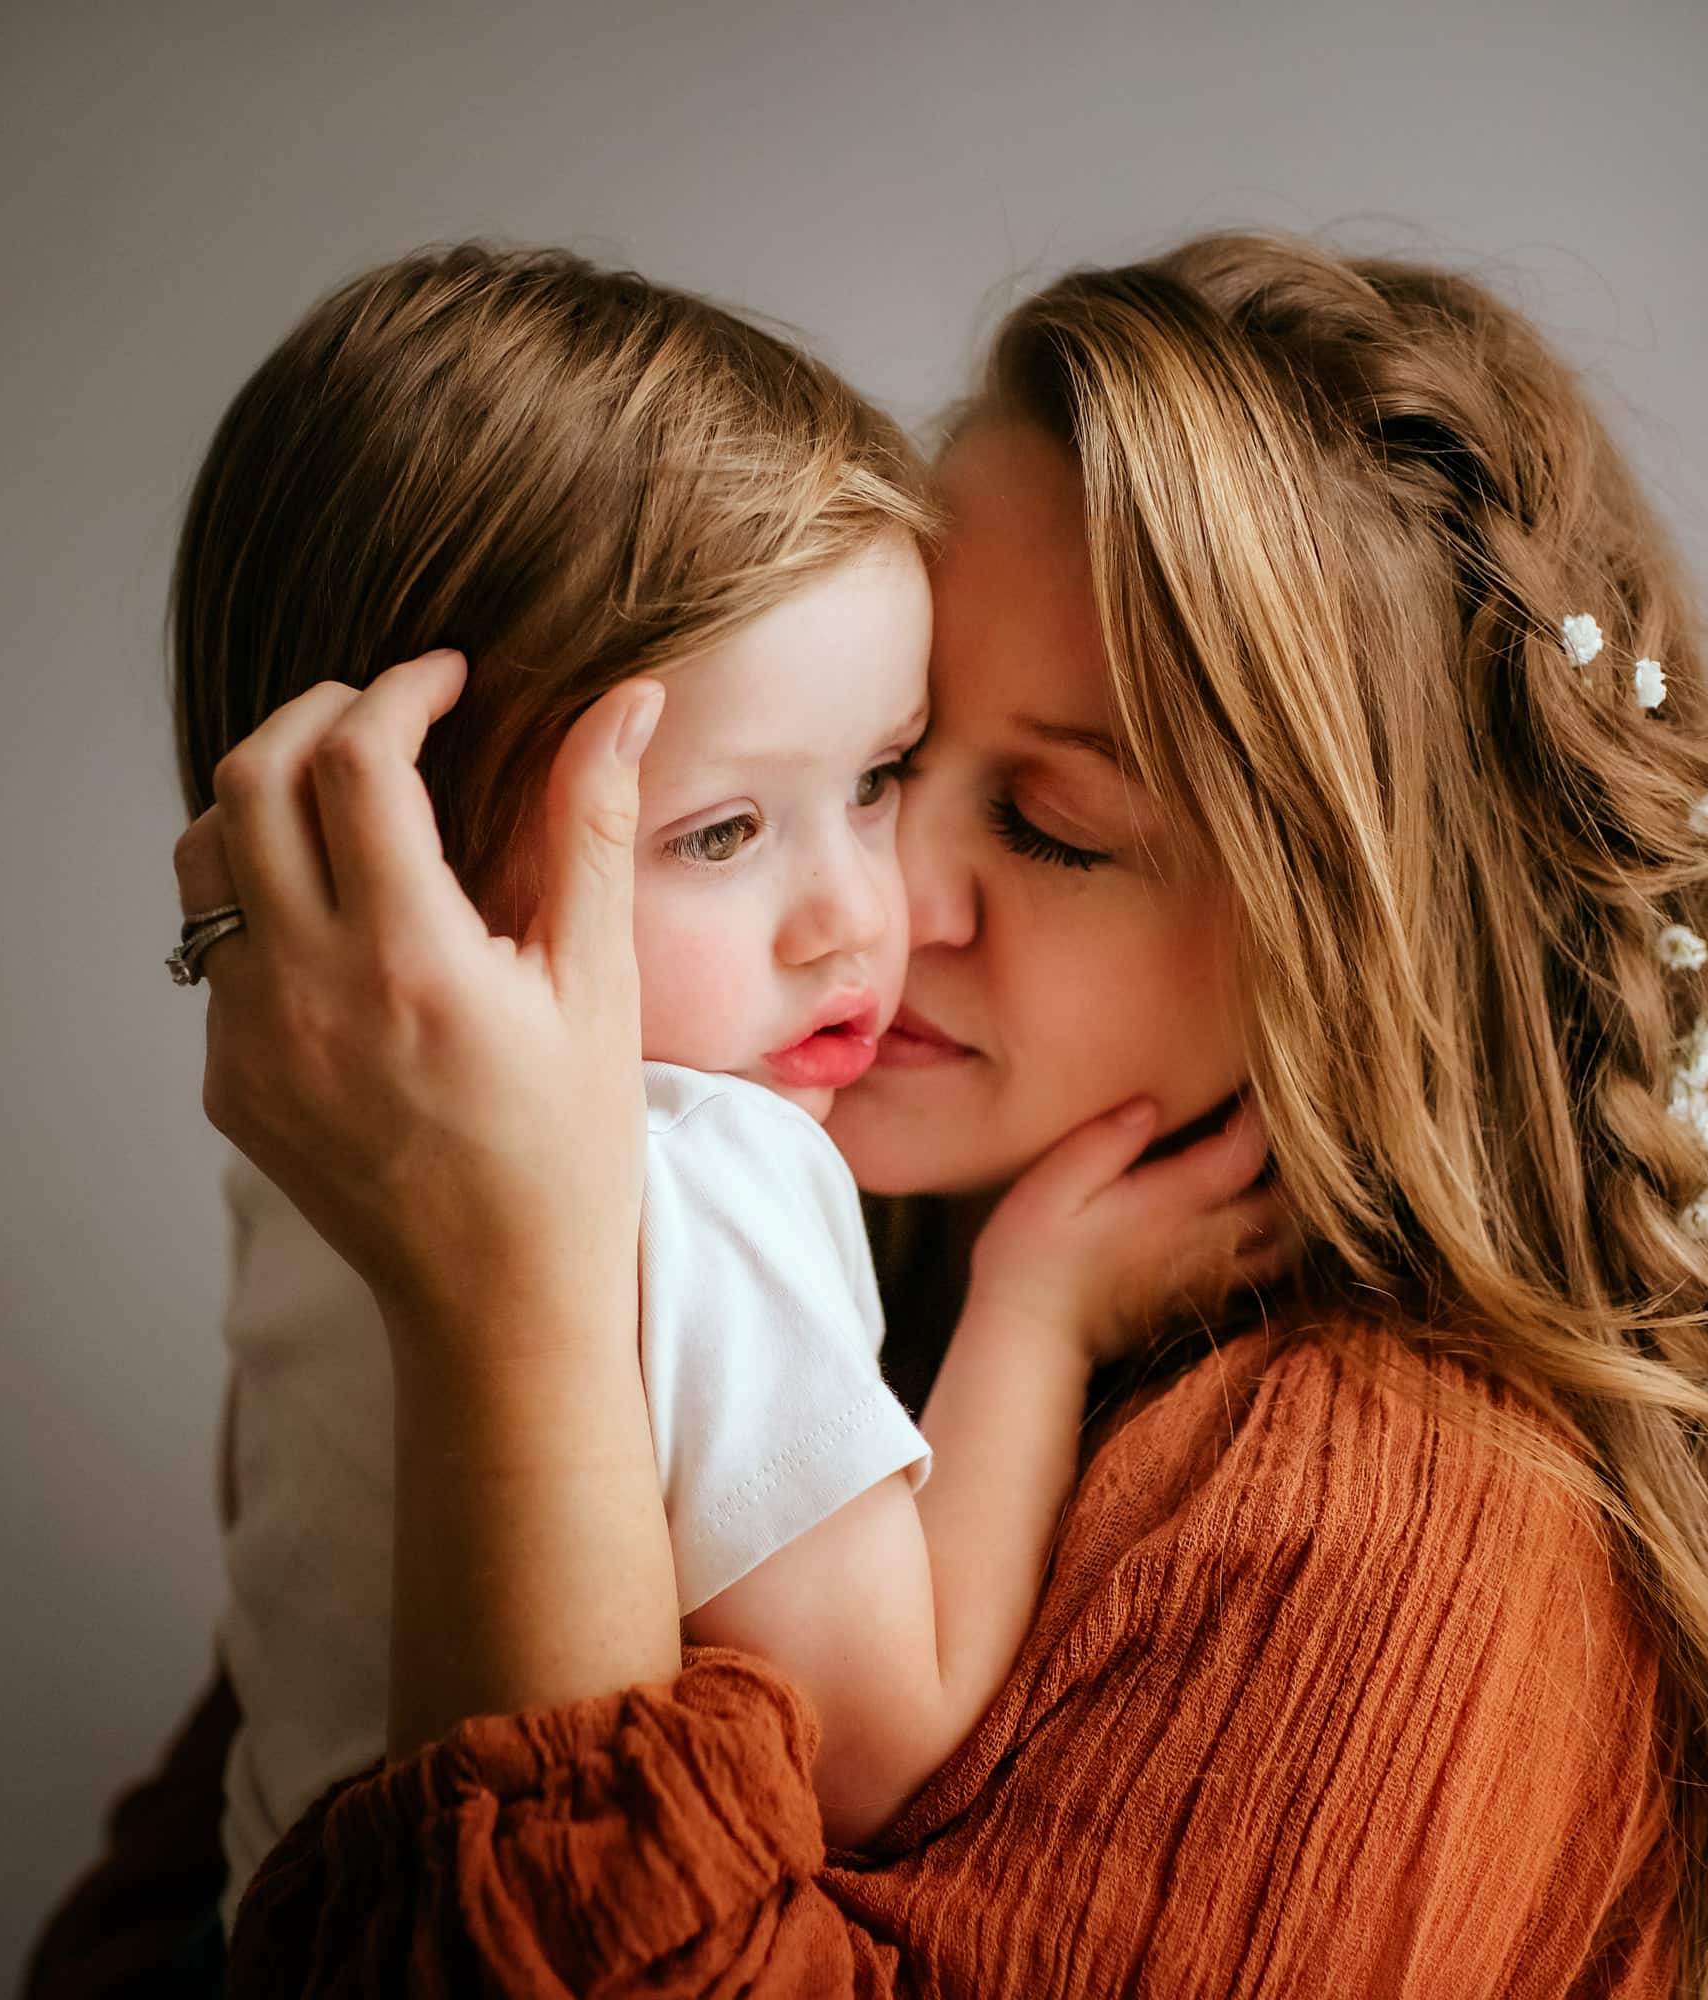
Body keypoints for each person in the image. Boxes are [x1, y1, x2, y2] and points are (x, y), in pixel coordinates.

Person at [25, 232, 1708, 1999]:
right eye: (897, 756)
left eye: (1049, 824)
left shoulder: (1396, 1529)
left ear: (1355, 952)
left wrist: (512, 1321)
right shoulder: (757, 1205)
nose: (877, 901)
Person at [159, 246, 1282, 1940]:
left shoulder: (301, 1157)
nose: (866, 912)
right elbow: (883, 1746)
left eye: (875, 780)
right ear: (403, 856)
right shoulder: (712, 1165)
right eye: (720, 833)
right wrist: (1035, 1320)